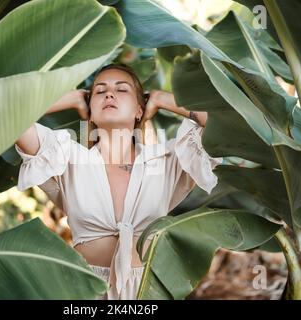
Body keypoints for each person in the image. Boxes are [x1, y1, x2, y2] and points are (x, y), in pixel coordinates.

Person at [14, 64, 223, 300]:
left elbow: (224, 124)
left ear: (138, 110)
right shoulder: (68, 157)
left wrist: (162, 99)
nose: (109, 94)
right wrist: (72, 98)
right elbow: (12, 118)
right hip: (83, 291)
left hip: (149, 291)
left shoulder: (167, 161)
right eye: (99, 91)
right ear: (89, 109)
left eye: (121, 90)